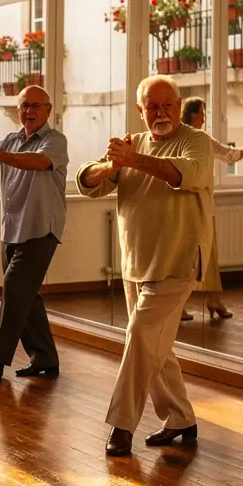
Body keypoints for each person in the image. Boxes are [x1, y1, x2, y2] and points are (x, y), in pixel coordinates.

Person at [76, 76, 214, 456]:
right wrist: (110, 167)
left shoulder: (195, 141)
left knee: (140, 335)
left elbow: (182, 174)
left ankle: (122, 426)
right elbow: (85, 181)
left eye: (168, 105)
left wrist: (133, 160)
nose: (161, 113)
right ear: (140, 110)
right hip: (137, 263)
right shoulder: (132, 143)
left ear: (179, 104)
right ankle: (180, 418)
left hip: (179, 262)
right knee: (156, 345)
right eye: (152, 107)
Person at [0, 85, 68, 383]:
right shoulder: (11, 140)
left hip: (41, 229)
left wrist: (1, 154)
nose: (29, 111)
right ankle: (44, 356)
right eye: (24, 106)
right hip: (11, 228)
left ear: (48, 110)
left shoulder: (55, 141)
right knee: (27, 296)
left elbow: (39, 163)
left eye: (35, 106)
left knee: (14, 290)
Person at [179, 97, 243, 321]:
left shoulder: (200, 139)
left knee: (208, 251)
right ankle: (182, 304)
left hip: (203, 203)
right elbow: (229, 156)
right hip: (188, 205)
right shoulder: (187, 138)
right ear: (192, 114)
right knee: (186, 256)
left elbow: (228, 155)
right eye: (202, 112)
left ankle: (213, 299)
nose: (204, 116)